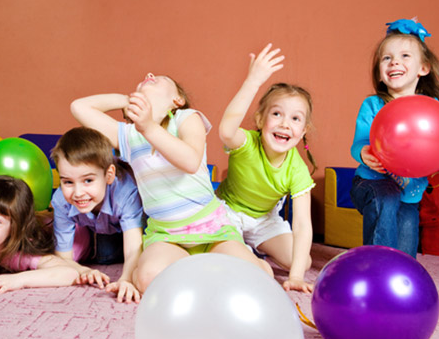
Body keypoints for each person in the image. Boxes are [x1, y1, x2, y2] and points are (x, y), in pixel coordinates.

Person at [70, 72, 273, 293]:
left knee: (253, 279)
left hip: (214, 232)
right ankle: (192, 271)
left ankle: (253, 264)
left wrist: (149, 126)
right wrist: (126, 99)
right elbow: (79, 107)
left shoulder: (186, 118)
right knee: (148, 278)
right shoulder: (129, 136)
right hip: (167, 237)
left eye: (159, 78)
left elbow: (190, 161)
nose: (148, 75)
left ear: (177, 100)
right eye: (141, 82)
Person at [216, 43, 317, 293]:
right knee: (221, 250)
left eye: (295, 119)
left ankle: (253, 246)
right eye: (277, 114)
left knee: (303, 261)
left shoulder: (297, 168)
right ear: (260, 120)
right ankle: (242, 249)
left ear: (303, 131)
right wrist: (253, 81)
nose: (285, 124)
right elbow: (226, 130)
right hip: (228, 213)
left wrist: (295, 276)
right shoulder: (247, 144)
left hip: (265, 221)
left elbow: (303, 223)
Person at [350, 18, 439, 258]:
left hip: (410, 195)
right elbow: (358, 143)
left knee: (405, 254)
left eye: (405, 56)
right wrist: (363, 152)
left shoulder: (433, 110)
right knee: (386, 199)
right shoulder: (373, 104)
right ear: (380, 72)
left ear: (424, 68)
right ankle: (375, 265)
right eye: (386, 58)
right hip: (370, 183)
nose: (394, 62)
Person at [50, 126, 144, 303]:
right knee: (104, 255)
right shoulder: (60, 200)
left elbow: (133, 247)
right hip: (103, 227)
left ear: (108, 176)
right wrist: (82, 271)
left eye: (88, 180)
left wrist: (126, 279)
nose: (78, 193)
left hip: (139, 224)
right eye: (68, 182)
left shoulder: (125, 192)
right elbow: (63, 257)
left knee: (141, 258)